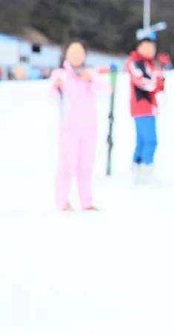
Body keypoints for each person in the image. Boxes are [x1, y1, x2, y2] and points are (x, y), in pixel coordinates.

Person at [50, 41, 102, 211]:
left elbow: (106, 88)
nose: (76, 56)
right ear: (67, 55)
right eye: (73, 52)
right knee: (66, 165)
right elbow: (51, 94)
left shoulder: (90, 73)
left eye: (80, 53)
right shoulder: (60, 74)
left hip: (89, 128)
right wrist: (56, 86)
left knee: (86, 166)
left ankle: (86, 202)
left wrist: (91, 79)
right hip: (69, 128)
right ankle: (62, 201)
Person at [125, 35, 165, 183]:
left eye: (152, 48)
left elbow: (159, 86)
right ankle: (145, 169)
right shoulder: (134, 62)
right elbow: (146, 83)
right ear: (139, 47)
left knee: (142, 141)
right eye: (146, 47)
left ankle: (138, 169)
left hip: (150, 106)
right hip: (141, 106)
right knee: (150, 140)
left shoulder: (150, 64)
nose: (150, 50)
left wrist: (158, 76)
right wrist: (156, 79)